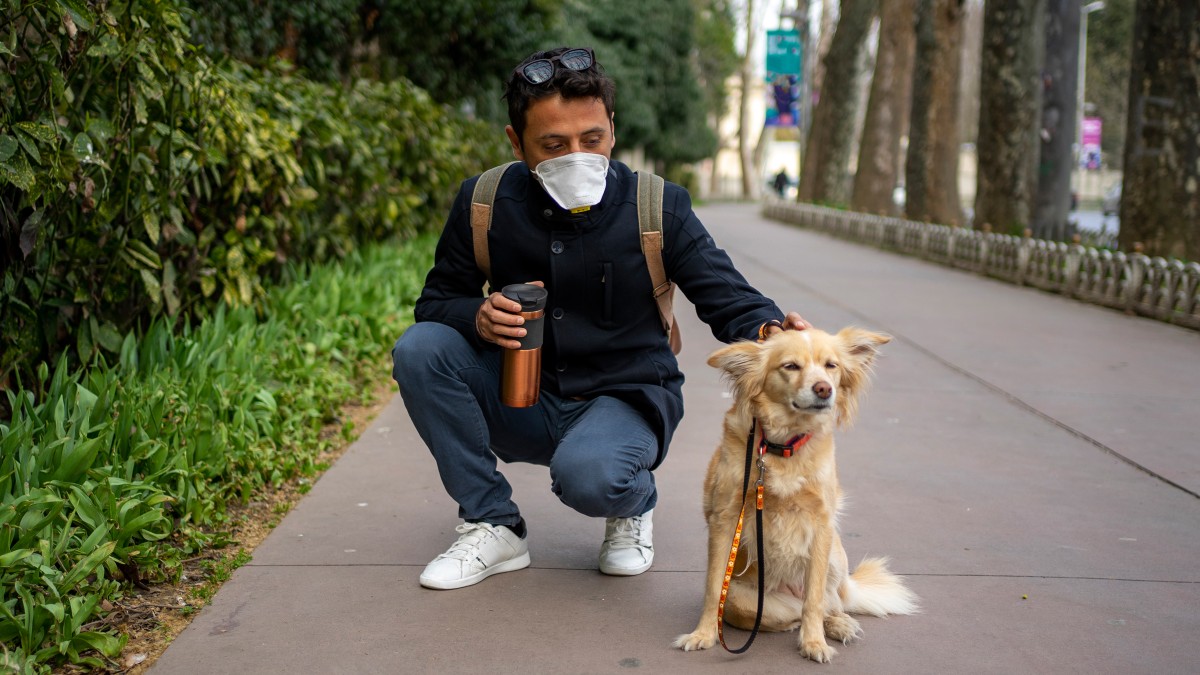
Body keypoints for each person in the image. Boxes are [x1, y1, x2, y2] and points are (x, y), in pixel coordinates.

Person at [391, 46, 809, 591]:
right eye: (553, 145)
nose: (577, 157)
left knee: (589, 477)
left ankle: (632, 502)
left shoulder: (657, 206)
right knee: (419, 348)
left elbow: (727, 296)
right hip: (523, 396)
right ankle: (492, 523)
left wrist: (775, 333)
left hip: (626, 399)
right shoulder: (485, 202)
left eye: (592, 140)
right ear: (517, 143)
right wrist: (478, 315)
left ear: (612, 128)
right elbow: (437, 301)